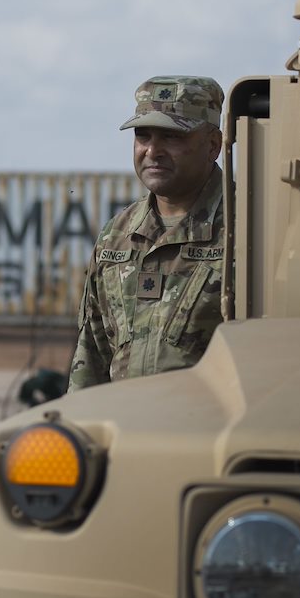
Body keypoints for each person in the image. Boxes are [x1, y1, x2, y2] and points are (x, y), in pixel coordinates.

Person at [68, 75, 228, 390]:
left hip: (208, 431)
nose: (152, 151)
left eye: (172, 137)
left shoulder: (245, 227)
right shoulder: (118, 233)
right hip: (126, 429)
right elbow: (91, 353)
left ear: (212, 145)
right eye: (143, 136)